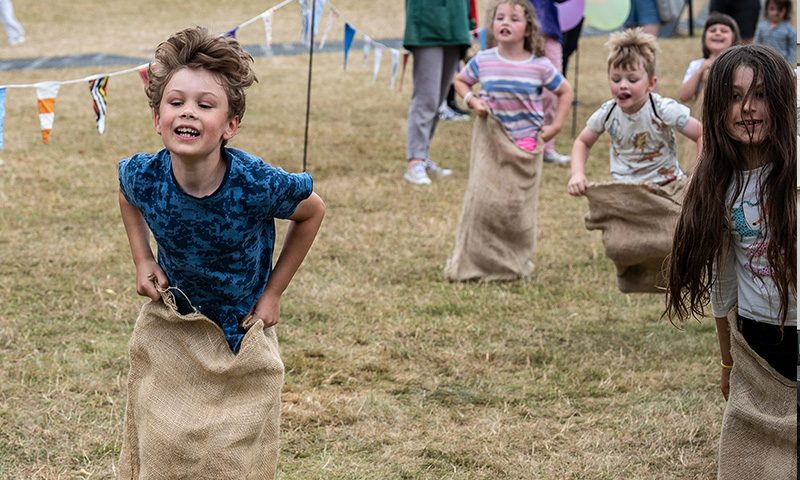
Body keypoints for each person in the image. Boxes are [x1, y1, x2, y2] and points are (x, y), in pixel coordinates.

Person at [118, 27, 325, 353]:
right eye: (176, 102)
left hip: (242, 331)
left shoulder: (255, 184)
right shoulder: (145, 176)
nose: (188, 111)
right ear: (158, 119)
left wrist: (273, 294)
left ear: (231, 125)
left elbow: (313, 211)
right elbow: (126, 193)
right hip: (177, 325)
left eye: (205, 105)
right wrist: (142, 259)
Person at [665, 44, 796, 478]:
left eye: (760, 94)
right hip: (761, 340)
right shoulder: (716, 187)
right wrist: (728, 362)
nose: (747, 109)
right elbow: (722, 284)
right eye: (734, 97)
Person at [567, 28, 702, 197]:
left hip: (667, 189)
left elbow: (701, 133)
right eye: (616, 79)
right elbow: (582, 142)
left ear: (651, 83)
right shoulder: (607, 113)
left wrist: (698, 175)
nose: (623, 85)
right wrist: (577, 174)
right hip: (625, 192)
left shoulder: (662, 109)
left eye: (632, 79)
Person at [455, 0, 573, 154]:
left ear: (528, 30)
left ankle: (549, 151)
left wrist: (556, 126)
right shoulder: (483, 60)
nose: (505, 23)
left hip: (527, 144)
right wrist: (472, 100)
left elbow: (565, 91)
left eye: (514, 19)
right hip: (490, 141)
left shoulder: (539, 65)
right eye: (500, 18)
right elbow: (460, 80)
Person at [403, 0, 472, 185]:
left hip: (456, 28)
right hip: (427, 28)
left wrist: (469, 25)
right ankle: (415, 160)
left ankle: (422, 156)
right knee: (427, 98)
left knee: (438, 99)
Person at [677, 13, 741, 105]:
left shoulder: (739, 64)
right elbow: (683, 96)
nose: (717, 33)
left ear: (734, 37)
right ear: (704, 37)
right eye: (712, 30)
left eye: (724, 31)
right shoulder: (697, 65)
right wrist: (700, 71)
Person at [754, 0, 796, 66]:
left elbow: (792, 49)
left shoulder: (789, 30)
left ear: (786, 10)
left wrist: (788, 64)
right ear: (766, 9)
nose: (775, 12)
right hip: (764, 61)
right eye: (772, 9)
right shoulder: (762, 27)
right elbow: (757, 43)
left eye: (780, 9)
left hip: (781, 63)